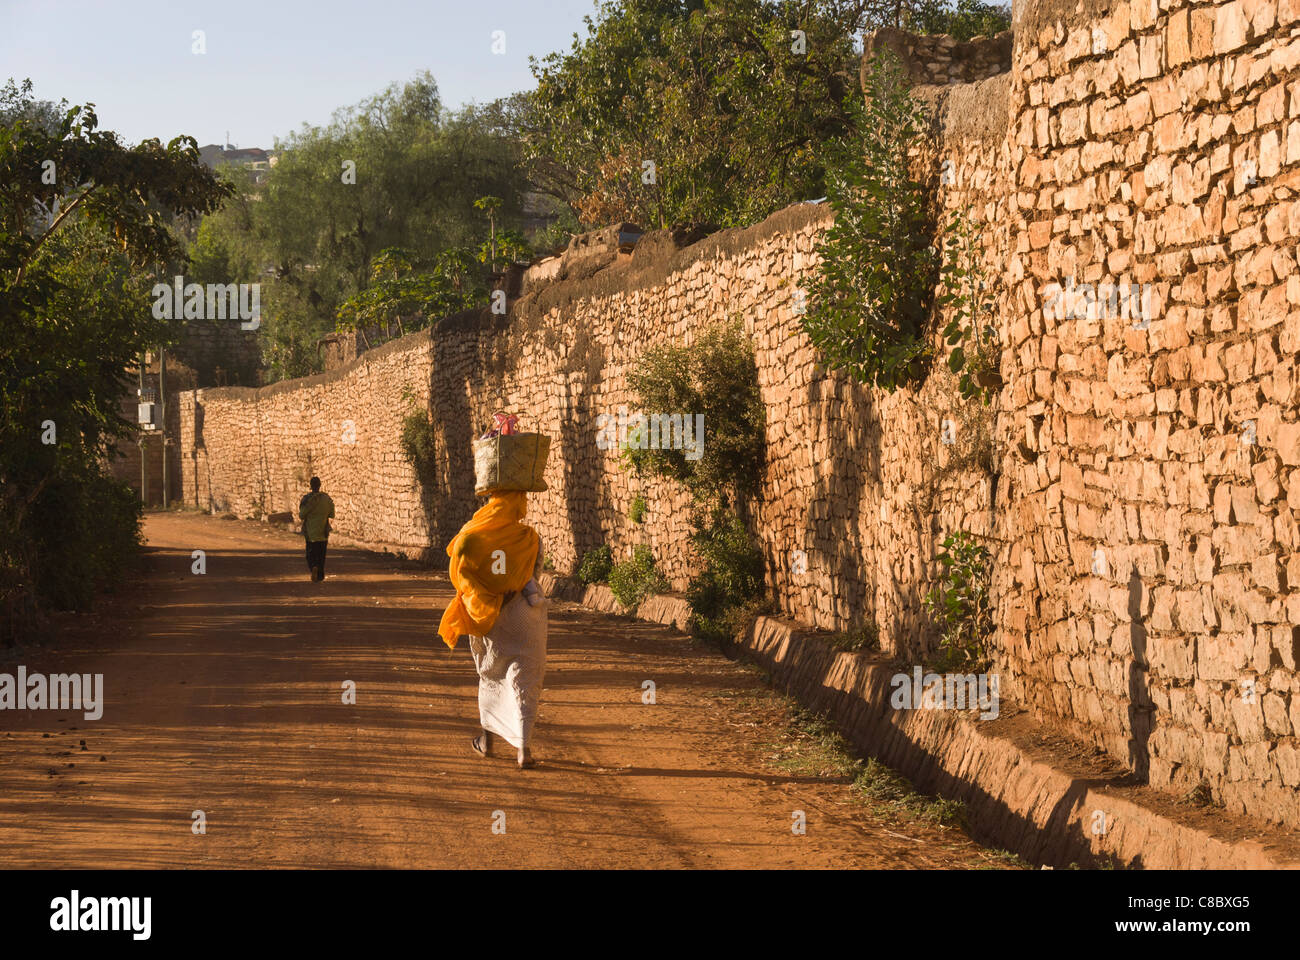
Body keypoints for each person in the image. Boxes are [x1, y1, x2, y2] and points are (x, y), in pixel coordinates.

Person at [438, 490, 548, 769]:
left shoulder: (471, 536)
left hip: (490, 614)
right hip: (524, 613)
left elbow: (459, 572)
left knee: (491, 673)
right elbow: (534, 574)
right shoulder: (530, 538)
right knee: (525, 678)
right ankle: (524, 750)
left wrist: (483, 593)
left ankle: (487, 742)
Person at [298, 476, 335, 582]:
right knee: (321, 555)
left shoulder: (307, 499)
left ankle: (313, 567)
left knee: (310, 555)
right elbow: (332, 514)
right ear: (320, 485)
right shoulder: (326, 498)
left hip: (310, 533)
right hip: (323, 532)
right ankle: (320, 575)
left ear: (311, 486)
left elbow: (301, 515)